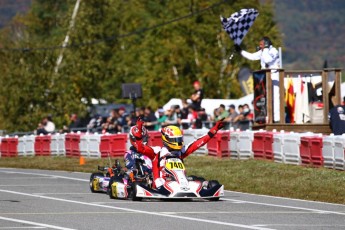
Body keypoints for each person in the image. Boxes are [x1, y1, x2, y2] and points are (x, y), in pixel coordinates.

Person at [133, 116, 225, 190]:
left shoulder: (181, 151)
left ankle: (185, 186)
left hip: (179, 181)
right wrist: (138, 136)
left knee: (203, 181)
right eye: (175, 140)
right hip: (161, 182)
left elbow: (199, 142)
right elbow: (140, 149)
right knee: (138, 186)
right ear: (167, 139)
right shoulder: (158, 151)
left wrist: (214, 130)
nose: (178, 142)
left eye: (179, 139)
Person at [235, 37, 281, 122]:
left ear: (266, 44)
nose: (259, 46)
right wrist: (241, 51)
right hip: (265, 77)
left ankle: (277, 118)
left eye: (261, 45)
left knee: (275, 97)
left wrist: (265, 49)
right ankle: (267, 117)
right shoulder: (263, 51)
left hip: (274, 76)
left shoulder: (273, 51)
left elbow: (267, 60)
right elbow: (252, 56)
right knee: (265, 98)